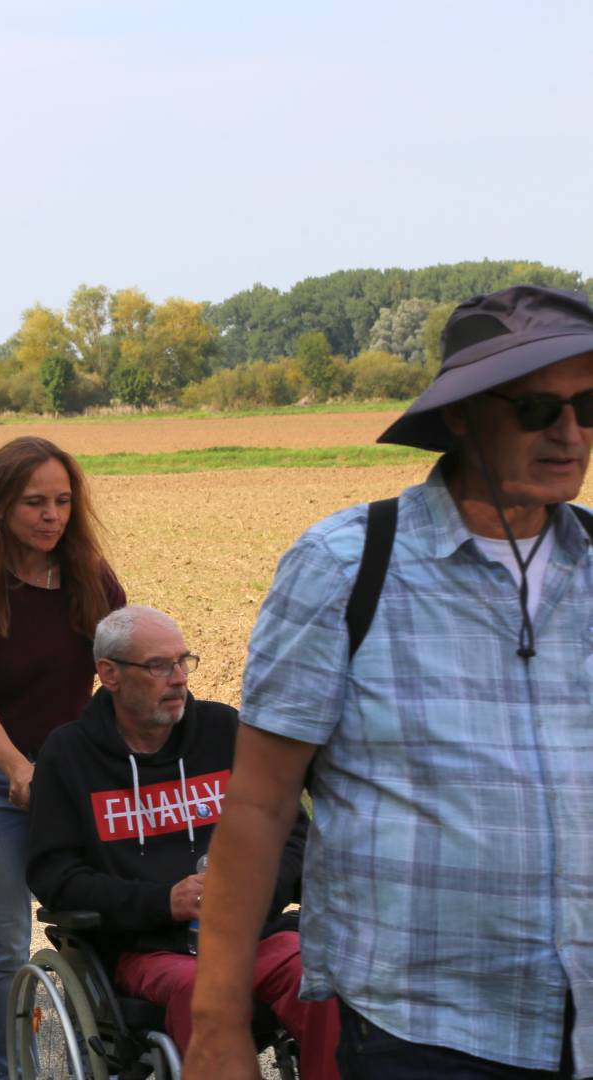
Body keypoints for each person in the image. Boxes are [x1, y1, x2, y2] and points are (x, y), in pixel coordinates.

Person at [188, 285, 593, 1080]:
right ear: (461, 414)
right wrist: (216, 1022)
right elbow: (261, 805)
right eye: (538, 409)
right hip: (427, 1034)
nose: (571, 434)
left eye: (590, 406)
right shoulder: (347, 568)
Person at [26, 605, 339, 1078]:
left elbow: (292, 834)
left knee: (323, 980)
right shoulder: (69, 756)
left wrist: (253, 894)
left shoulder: (224, 731)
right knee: (202, 993)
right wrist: (162, 902)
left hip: (253, 933)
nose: (178, 679)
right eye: (158, 666)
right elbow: (56, 877)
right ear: (109, 674)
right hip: (146, 948)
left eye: (183, 662)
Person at [0, 435, 124, 1080]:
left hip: (72, 773)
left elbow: (127, 663)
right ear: (0, 504)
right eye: (35, 502)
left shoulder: (90, 576)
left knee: (106, 925)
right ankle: (13, 1072)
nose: (53, 515)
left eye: (64, 501)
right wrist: (15, 766)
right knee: (5, 943)